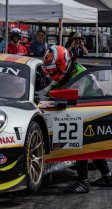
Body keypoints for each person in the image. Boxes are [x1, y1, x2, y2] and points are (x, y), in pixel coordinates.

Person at [41, 45, 112, 193]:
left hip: (91, 108)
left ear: (63, 63)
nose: (51, 73)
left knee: (79, 143)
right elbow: (51, 88)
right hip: (89, 108)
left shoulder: (79, 74)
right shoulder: (69, 70)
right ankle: (107, 176)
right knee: (92, 145)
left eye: (53, 70)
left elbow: (67, 95)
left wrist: (47, 99)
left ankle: (83, 182)